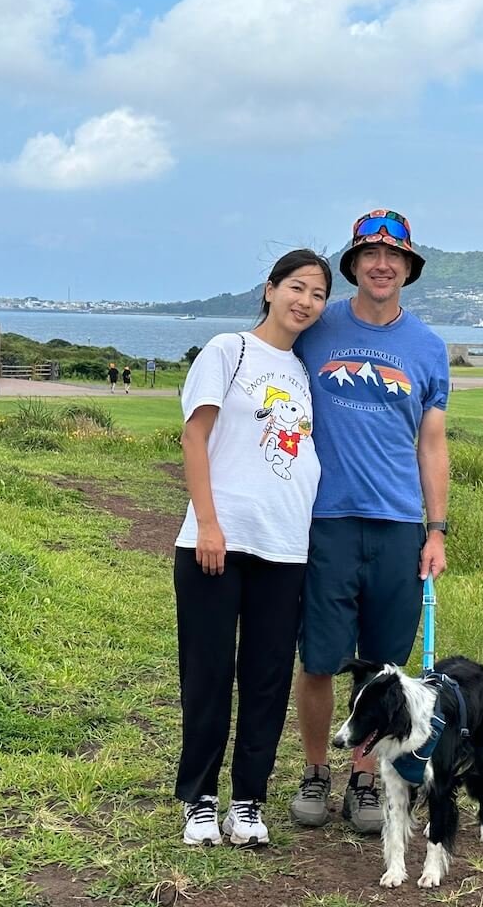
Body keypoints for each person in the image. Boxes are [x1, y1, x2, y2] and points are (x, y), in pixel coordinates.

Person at [290, 209, 450, 834]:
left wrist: (436, 530)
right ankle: (313, 771)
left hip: (398, 526)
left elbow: (432, 443)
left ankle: (363, 779)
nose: (382, 266)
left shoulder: (427, 347)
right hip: (325, 520)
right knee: (321, 659)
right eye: (369, 255)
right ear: (353, 264)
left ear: (408, 269)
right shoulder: (316, 327)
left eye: (395, 257)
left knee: (384, 665)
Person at [172, 249, 332, 848]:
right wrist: (208, 524)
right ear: (269, 290)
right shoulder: (227, 349)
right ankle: (200, 801)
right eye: (297, 287)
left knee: (266, 677)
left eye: (317, 294)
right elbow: (195, 434)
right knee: (209, 674)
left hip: (285, 547)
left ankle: (248, 801)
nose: (306, 302)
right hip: (216, 540)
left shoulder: (302, 371)